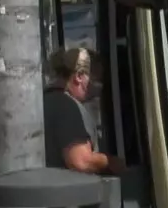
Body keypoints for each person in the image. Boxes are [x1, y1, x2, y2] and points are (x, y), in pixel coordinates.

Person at [44, 46, 122, 176]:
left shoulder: (48, 100)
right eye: (95, 80)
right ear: (79, 76)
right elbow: (81, 161)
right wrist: (111, 162)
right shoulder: (66, 105)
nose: (98, 87)